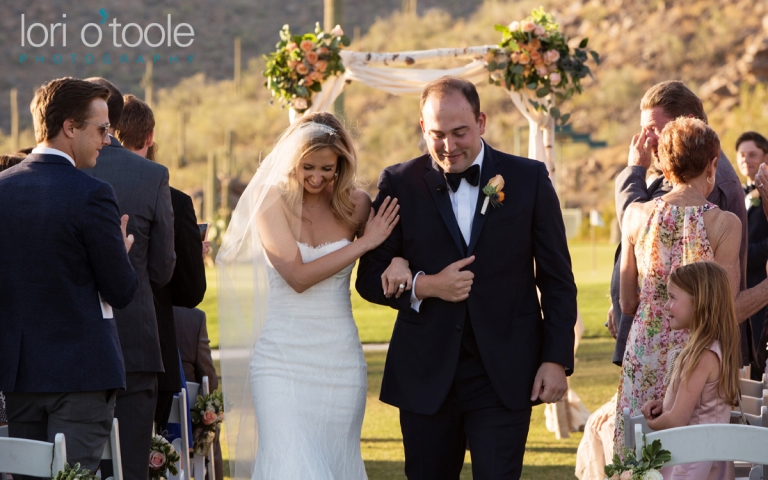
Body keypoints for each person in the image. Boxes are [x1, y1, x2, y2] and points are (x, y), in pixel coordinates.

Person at [356, 76, 578, 479]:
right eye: (437, 134)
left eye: (460, 132)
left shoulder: (529, 179)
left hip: (506, 372)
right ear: (422, 128)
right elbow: (369, 276)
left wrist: (556, 358)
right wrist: (424, 284)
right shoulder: (399, 183)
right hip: (426, 372)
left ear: (482, 122)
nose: (448, 146)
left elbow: (557, 278)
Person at [217, 111, 401, 479]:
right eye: (308, 167)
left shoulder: (358, 204)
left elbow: (392, 247)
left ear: (342, 164)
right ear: (291, 162)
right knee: (289, 464)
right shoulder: (270, 200)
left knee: (335, 463)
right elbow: (297, 276)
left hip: (339, 361)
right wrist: (364, 243)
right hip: (281, 360)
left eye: (327, 169)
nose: (317, 178)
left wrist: (397, 257)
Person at [0, 77, 137, 472]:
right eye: (102, 129)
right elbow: (121, 289)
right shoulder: (92, 193)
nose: (108, 140)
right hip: (83, 377)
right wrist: (121, 253)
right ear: (70, 127)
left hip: (20, 377)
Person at [608, 81, 760, 368]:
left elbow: (720, 302)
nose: (646, 139)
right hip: (686, 359)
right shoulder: (696, 188)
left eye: (654, 128)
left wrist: (632, 175)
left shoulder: (714, 189)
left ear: (687, 122)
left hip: (674, 355)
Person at [614, 117, 744, 452]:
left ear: (665, 166)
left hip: (643, 350)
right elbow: (725, 304)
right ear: (712, 164)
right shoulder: (723, 224)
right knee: (690, 456)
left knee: (637, 452)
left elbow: (627, 303)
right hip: (695, 355)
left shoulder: (635, 215)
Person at [82, 78, 176, 480]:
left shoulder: (56, 169)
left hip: (72, 344)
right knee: (131, 465)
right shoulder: (152, 175)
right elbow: (162, 269)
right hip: (135, 341)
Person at [114, 94, 207, 429]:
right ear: (150, 137)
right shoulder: (175, 200)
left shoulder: (88, 182)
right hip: (151, 348)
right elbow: (190, 291)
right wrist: (191, 259)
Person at [641, 261, 740, 479]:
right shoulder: (709, 349)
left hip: (694, 461)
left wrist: (650, 423)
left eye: (673, 298)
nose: (666, 306)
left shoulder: (703, 355)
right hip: (706, 454)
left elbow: (677, 419)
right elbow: (696, 403)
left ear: (699, 303)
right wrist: (664, 405)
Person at [174, 306, 221, 480]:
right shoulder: (192, 319)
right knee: (212, 416)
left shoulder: (125, 312)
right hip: (187, 433)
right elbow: (210, 381)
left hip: (142, 426)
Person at [736, 132, 768, 353]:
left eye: (752, 154)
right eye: (742, 155)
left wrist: (742, 254)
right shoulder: (736, 193)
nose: (746, 160)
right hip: (738, 288)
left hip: (762, 283)